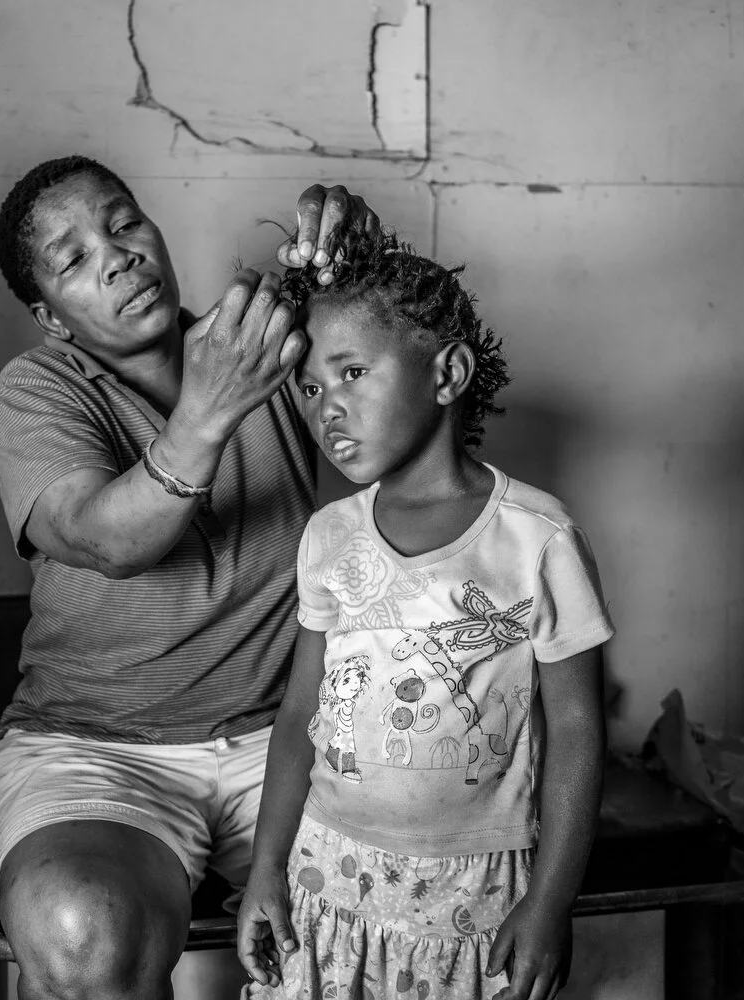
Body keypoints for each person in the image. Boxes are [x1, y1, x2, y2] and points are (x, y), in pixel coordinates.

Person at [0, 155, 378, 1000]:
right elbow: (105, 538)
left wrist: (354, 268)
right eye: (74, 257)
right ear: (50, 317)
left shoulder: (266, 344)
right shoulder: (37, 389)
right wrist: (212, 404)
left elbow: (387, 384)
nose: (116, 256)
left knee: (402, 902)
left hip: (285, 736)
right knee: (80, 928)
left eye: (122, 224)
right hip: (93, 749)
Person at [236, 228, 614, 1000]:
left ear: (448, 373)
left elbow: (577, 730)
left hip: (476, 893)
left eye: (352, 372)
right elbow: (300, 712)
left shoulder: (536, 540)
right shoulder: (329, 536)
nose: (326, 408)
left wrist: (549, 901)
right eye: (309, 387)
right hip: (326, 879)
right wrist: (265, 870)